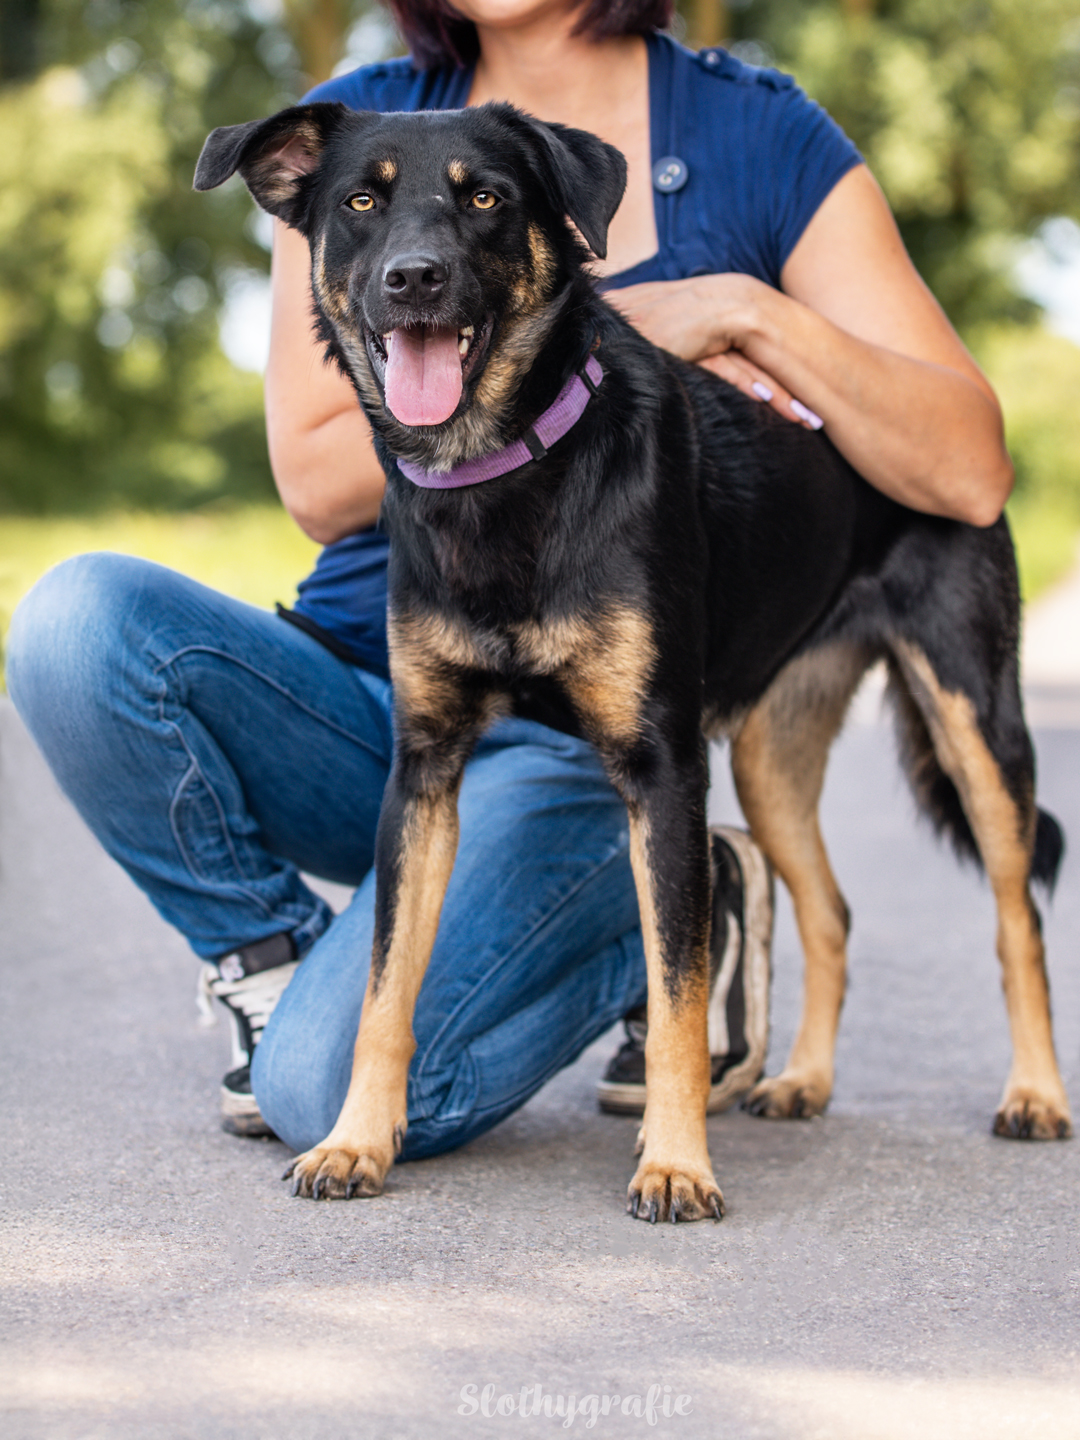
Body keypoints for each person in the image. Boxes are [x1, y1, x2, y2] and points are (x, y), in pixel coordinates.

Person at [6, 0, 1012, 1159]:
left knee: (313, 1094)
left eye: (479, 208)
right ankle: (270, 961)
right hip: (373, 681)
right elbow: (316, 484)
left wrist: (744, 308)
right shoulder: (359, 124)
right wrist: (564, 348)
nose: (416, 249)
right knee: (75, 624)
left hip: (568, 747)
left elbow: (971, 471)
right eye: (372, 215)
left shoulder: (758, 132)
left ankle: (666, 917)